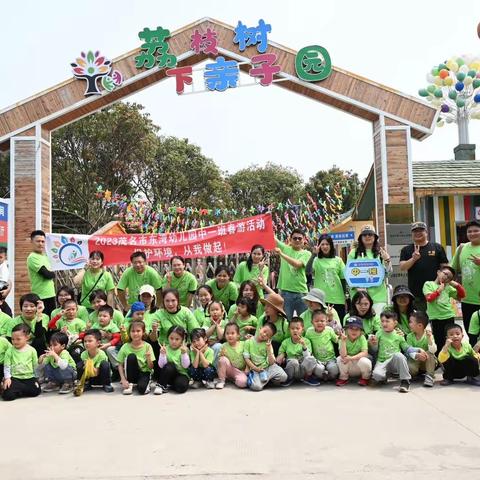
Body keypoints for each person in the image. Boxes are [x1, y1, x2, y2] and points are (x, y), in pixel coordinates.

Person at [400, 221, 449, 312]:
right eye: (415, 231)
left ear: (426, 232)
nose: (418, 233)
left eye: (420, 230)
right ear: (412, 234)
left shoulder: (437, 247)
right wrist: (413, 259)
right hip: (416, 294)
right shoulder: (406, 250)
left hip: (436, 291)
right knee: (419, 322)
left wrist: (443, 282)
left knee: (437, 320)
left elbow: (445, 268)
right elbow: (402, 267)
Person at [348, 225, 391, 314]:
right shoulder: (353, 253)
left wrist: (387, 260)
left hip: (378, 297)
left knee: (379, 324)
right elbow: (348, 274)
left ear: (375, 237)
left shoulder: (381, 252)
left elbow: (388, 274)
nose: (367, 237)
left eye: (370, 234)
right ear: (361, 238)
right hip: (359, 298)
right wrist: (358, 288)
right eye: (365, 235)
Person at [369, 311, 414, 393]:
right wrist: (373, 344)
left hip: (394, 361)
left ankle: (405, 381)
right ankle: (384, 376)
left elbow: (405, 347)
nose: (384, 323)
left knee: (399, 355)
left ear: (395, 323)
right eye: (382, 321)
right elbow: (375, 350)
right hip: (382, 361)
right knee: (377, 375)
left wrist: (415, 351)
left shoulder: (398, 334)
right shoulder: (379, 333)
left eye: (387, 321)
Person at [423, 266, 465, 352]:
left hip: (449, 316)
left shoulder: (448, 287)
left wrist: (456, 285)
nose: (446, 277)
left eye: (449, 277)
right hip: (436, 318)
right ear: (438, 272)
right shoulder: (428, 284)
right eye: (445, 273)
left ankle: (451, 360)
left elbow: (462, 295)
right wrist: (439, 290)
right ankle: (440, 362)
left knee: (450, 340)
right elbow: (429, 298)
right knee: (438, 340)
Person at [451, 220, 480, 345]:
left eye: (476, 231)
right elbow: (452, 270)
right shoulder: (461, 248)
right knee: (471, 335)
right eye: (470, 231)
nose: (472, 233)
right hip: (467, 299)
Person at [306, 234, 347, 319]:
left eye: (327, 244)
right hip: (321, 299)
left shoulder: (338, 260)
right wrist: (313, 255)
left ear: (331, 246)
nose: (325, 247)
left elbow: (343, 279)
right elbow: (307, 271)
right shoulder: (316, 260)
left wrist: (345, 297)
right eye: (322, 244)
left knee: (338, 325)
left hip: (337, 299)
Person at [275, 229, 312, 319]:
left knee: (304, 320)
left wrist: (281, 254)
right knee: (287, 320)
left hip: (301, 292)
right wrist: (267, 220)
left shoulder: (306, 253)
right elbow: (272, 238)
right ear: (290, 240)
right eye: (295, 238)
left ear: (304, 240)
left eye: (300, 238)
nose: (297, 240)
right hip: (286, 292)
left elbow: (297, 264)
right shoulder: (285, 248)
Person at [2, 324, 41, 401]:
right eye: (13, 339)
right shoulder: (9, 351)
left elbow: (35, 366)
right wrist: (7, 378)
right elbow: (7, 366)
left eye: (18, 339)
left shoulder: (32, 350)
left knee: (35, 392)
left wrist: (37, 378)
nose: (15, 341)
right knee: (8, 396)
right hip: (15, 378)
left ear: (27, 337)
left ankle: (20, 390)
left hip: (29, 377)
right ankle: (19, 389)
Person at [244, 322, 288, 391]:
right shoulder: (248, 342)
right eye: (264, 331)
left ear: (270, 338)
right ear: (260, 328)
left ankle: (265, 379)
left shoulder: (268, 344)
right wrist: (255, 368)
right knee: (256, 387)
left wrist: (269, 349)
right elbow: (247, 358)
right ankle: (263, 379)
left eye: (267, 335)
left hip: (268, 367)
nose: (264, 334)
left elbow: (271, 363)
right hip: (256, 369)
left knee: (284, 377)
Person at [117, 320, 155, 395]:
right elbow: (120, 364)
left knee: (142, 390)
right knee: (131, 356)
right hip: (132, 373)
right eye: (133, 331)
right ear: (129, 333)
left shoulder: (147, 346)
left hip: (144, 372)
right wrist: (123, 379)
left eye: (138, 331)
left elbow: (151, 367)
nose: (135, 333)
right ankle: (130, 383)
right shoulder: (125, 346)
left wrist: (148, 358)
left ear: (143, 332)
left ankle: (147, 382)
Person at [276, 317, 316, 386]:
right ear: (289, 330)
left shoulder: (306, 341)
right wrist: (281, 357)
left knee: (311, 359)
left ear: (302, 330)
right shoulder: (285, 342)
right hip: (292, 368)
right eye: (292, 328)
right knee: (293, 361)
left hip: (303, 369)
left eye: (297, 328)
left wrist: (304, 345)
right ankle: (289, 378)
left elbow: (308, 357)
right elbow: (280, 355)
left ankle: (307, 377)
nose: (295, 331)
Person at [74, 329, 114, 396]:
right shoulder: (84, 354)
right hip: (91, 378)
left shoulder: (101, 354)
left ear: (98, 343)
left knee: (105, 364)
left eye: (90, 341)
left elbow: (96, 372)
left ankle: (107, 384)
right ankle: (86, 383)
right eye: (85, 341)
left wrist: (89, 365)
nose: (86, 343)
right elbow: (84, 370)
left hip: (101, 377)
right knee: (79, 365)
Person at [336, 316, 372, 387]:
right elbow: (343, 355)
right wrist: (343, 341)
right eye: (351, 328)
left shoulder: (362, 337)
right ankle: (343, 378)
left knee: (365, 361)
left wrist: (351, 358)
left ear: (361, 331)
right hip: (348, 365)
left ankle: (365, 378)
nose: (354, 331)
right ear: (346, 330)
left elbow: (365, 353)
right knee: (340, 359)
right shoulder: (343, 337)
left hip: (358, 365)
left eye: (357, 329)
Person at [27, 230, 56, 316]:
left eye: (43, 241)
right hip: (40, 296)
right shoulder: (32, 257)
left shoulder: (45, 256)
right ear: (31, 242)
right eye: (38, 241)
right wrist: (53, 273)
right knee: (42, 321)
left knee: (51, 322)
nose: (40, 243)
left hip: (50, 293)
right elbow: (47, 275)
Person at [305, 309, 339, 383]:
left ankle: (329, 376)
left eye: (322, 321)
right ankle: (322, 376)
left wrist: (341, 337)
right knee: (319, 370)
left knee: (334, 370)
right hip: (318, 360)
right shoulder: (309, 332)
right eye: (316, 321)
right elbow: (307, 344)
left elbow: (336, 340)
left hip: (330, 359)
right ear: (312, 322)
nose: (319, 323)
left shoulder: (329, 330)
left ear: (326, 322)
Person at [155, 325, 190, 395]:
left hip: (182, 374)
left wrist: (184, 354)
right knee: (169, 366)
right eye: (171, 338)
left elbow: (185, 366)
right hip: (169, 374)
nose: (174, 341)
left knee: (181, 387)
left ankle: (172, 385)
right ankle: (161, 385)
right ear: (168, 338)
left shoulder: (184, 349)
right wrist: (162, 354)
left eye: (177, 339)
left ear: (182, 340)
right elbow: (161, 366)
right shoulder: (165, 348)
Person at [405, 311, 437, 387]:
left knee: (430, 353)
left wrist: (429, 339)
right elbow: (408, 350)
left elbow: (433, 350)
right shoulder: (410, 336)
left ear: (419, 325)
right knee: (410, 368)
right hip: (415, 360)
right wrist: (417, 355)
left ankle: (429, 376)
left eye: (411, 322)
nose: (409, 324)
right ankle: (416, 374)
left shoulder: (428, 335)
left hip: (426, 362)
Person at [233, 244, 269, 309]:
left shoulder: (265, 268)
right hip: (243, 298)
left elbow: (262, 285)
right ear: (251, 254)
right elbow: (236, 282)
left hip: (258, 299)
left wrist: (260, 270)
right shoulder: (242, 265)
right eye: (254, 253)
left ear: (263, 255)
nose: (256, 256)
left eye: (259, 254)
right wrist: (245, 291)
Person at [216, 322, 248, 389]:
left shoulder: (244, 344)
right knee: (222, 359)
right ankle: (221, 380)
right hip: (230, 369)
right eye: (227, 333)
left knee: (243, 383)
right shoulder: (224, 345)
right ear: (224, 335)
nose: (230, 335)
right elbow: (221, 362)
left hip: (240, 371)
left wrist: (247, 368)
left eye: (232, 333)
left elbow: (248, 357)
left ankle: (233, 379)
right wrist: (221, 355)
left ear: (238, 335)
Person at [0, 246, 12, 317]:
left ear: (5, 257)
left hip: (2, 290)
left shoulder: (3, 268)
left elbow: (6, 282)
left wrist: (8, 288)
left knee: (7, 313)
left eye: (0, 257)